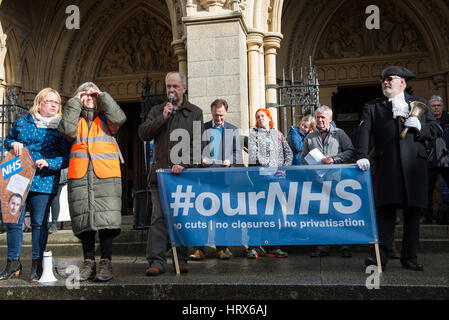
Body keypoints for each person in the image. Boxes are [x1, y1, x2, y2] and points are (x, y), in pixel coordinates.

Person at [356, 66, 438, 271]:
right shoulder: (373, 107)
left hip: (414, 166)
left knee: (412, 214)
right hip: (387, 165)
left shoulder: (421, 103)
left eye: (389, 79)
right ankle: (380, 258)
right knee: (385, 213)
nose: (385, 82)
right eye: (383, 79)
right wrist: (362, 155)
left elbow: (435, 131)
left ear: (402, 83)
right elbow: (365, 133)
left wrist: (420, 127)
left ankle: (410, 257)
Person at [58, 82, 126, 282]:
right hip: (80, 177)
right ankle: (89, 263)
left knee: (106, 223)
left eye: (92, 95)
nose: (89, 98)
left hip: (106, 177)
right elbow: (66, 130)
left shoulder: (106, 119)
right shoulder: (74, 118)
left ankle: (106, 263)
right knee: (84, 222)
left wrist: (103, 96)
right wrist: (74, 103)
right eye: (84, 95)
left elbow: (120, 117)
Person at [0, 88, 69, 282]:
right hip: (18, 178)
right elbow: (7, 140)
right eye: (49, 101)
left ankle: (37, 265)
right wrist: (13, 144)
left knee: (39, 223)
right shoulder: (24, 122)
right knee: (14, 221)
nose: (54, 105)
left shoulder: (60, 128)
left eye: (57, 102)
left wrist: (49, 163)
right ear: (39, 103)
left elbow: (65, 157)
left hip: (44, 180)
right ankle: (13, 263)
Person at [139, 72, 204, 276]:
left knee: (181, 217)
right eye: (168, 86)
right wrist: (162, 117)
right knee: (158, 217)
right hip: (160, 174)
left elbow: (197, 143)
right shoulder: (157, 110)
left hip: (183, 176)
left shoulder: (194, 112)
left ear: (184, 88)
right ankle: (156, 260)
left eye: (175, 86)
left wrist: (183, 163)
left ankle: (181, 258)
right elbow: (144, 133)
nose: (171, 90)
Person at [190, 98, 242, 261]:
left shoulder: (233, 130)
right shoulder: (202, 129)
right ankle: (200, 249)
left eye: (221, 115)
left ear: (225, 113)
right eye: (215, 115)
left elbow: (237, 153)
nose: (218, 119)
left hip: (224, 179)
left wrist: (230, 161)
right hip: (205, 178)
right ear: (211, 113)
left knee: (222, 215)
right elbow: (194, 150)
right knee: (202, 214)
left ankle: (222, 249)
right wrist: (201, 159)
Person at [300, 105, 355, 258]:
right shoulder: (310, 137)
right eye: (318, 117)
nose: (320, 120)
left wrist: (334, 159)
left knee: (338, 213)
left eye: (323, 117)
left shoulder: (340, 134)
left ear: (330, 118)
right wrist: (313, 166)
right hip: (317, 181)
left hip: (337, 179)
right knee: (321, 213)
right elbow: (303, 157)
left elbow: (350, 150)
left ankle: (344, 245)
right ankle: (322, 245)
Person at [247, 108, 293, 258]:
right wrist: (273, 167)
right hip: (261, 180)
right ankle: (253, 247)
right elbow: (255, 156)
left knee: (275, 214)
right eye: (257, 117)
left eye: (262, 116)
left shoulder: (278, 134)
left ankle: (273, 247)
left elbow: (289, 153)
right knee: (259, 213)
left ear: (269, 117)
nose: (260, 119)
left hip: (278, 180)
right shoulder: (254, 134)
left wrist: (284, 168)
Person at [423, 95, 449, 224]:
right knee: (427, 189)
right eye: (433, 106)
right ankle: (427, 216)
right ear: (429, 107)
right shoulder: (425, 121)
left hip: (447, 159)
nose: (436, 108)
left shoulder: (448, 119)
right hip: (430, 160)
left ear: (442, 107)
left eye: (438, 105)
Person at [48, 167, 68, 233]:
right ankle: (46, 223)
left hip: (59, 172)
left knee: (55, 198)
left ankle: (54, 223)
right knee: (46, 199)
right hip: (46, 172)